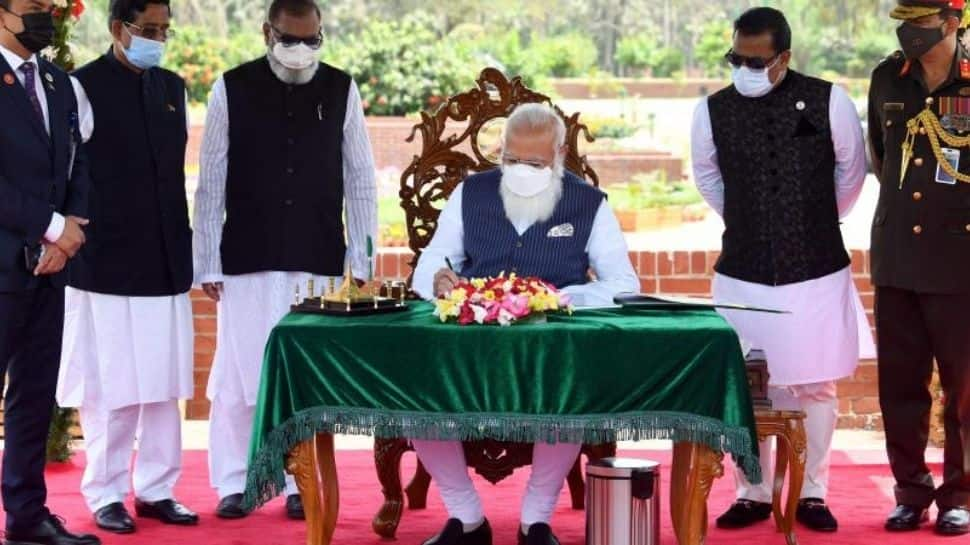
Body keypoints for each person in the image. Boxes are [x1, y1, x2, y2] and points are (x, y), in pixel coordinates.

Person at [411, 103, 639, 545]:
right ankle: (466, 518)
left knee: (569, 392)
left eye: (534, 163)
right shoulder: (471, 193)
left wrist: (557, 299)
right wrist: (438, 281)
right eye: (511, 160)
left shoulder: (587, 202)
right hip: (472, 344)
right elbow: (429, 269)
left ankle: (535, 520)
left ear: (558, 155)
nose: (520, 170)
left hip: (550, 346)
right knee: (414, 388)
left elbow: (624, 284)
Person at [690, 6, 874, 534]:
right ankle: (751, 491)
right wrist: (749, 218)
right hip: (742, 269)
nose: (744, 67)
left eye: (757, 60)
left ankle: (812, 492)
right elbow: (706, 176)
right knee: (747, 386)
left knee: (814, 386)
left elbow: (852, 171)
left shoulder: (827, 99)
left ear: (784, 57)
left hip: (816, 267)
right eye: (736, 58)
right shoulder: (711, 110)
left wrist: (813, 219)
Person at [193, 0, 377, 520]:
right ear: (266, 32)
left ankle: (302, 483)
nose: (301, 51)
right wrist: (206, 260)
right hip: (246, 255)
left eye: (312, 41)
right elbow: (211, 179)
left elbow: (361, 177)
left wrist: (360, 261)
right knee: (238, 375)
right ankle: (236, 481)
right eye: (291, 39)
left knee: (305, 375)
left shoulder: (342, 88)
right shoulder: (231, 87)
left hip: (316, 257)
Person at [56, 0, 198, 535]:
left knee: (164, 385)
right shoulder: (82, 86)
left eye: (165, 30)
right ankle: (107, 492)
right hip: (107, 258)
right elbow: (68, 170)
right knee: (112, 387)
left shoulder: (173, 88)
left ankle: (158, 488)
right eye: (148, 29)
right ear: (118, 28)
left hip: (165, 258)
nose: (158, 39)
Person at [868, 0, 970, 535]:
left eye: (920, 23)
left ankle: (960, 494)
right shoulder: (888, 76)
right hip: (899, 261)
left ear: (952, 23)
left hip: (961, 262)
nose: (909, 32)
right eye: (902, 23)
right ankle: (911, 492)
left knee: (964, 391)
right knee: (901, 388)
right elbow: (880, 159)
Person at [0, 0, 100, 543]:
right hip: (4, 265)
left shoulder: (61, 84)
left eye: (49, 6)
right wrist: (50, 224)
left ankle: (25, 516)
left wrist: (71, 229)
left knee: (34, 397)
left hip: (48, 268)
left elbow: (78, 159)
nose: (44, 15)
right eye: (32, 7)